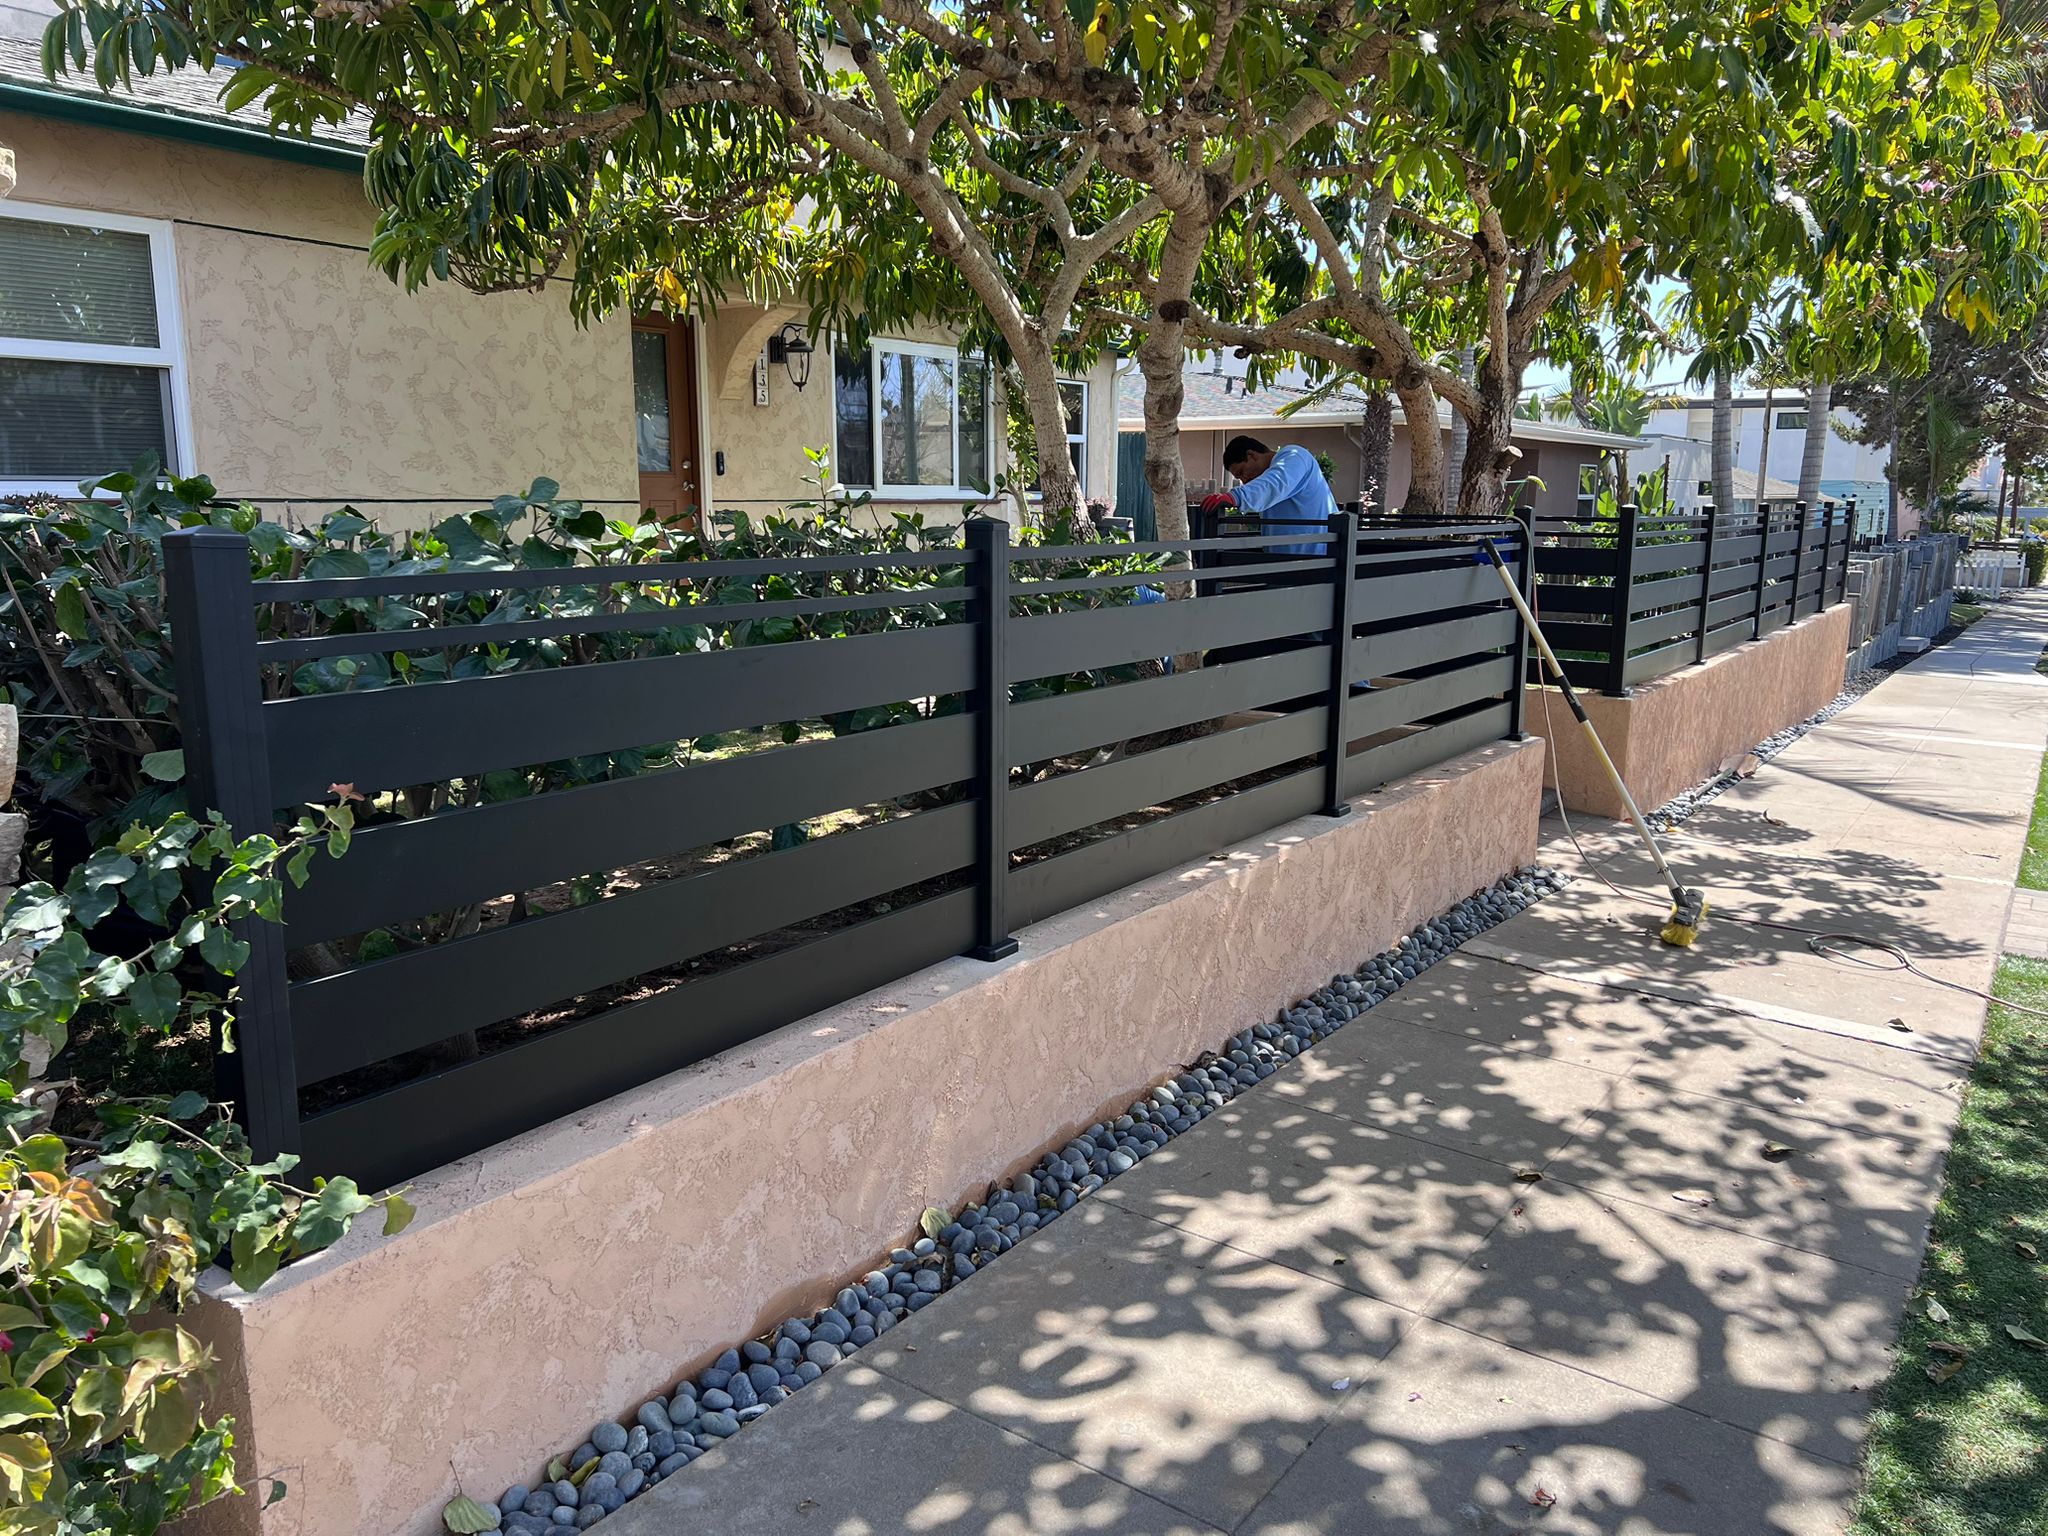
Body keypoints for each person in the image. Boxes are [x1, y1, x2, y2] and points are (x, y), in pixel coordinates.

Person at [1201, 436, 1338, 554]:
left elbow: (1276, 482)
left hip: (1317, 565)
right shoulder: (1266, 479)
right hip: (1289, 566)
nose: (1244, 480)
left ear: (1252, 455)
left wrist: (1235, 497)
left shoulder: (1295, 456)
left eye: (1242, 472)